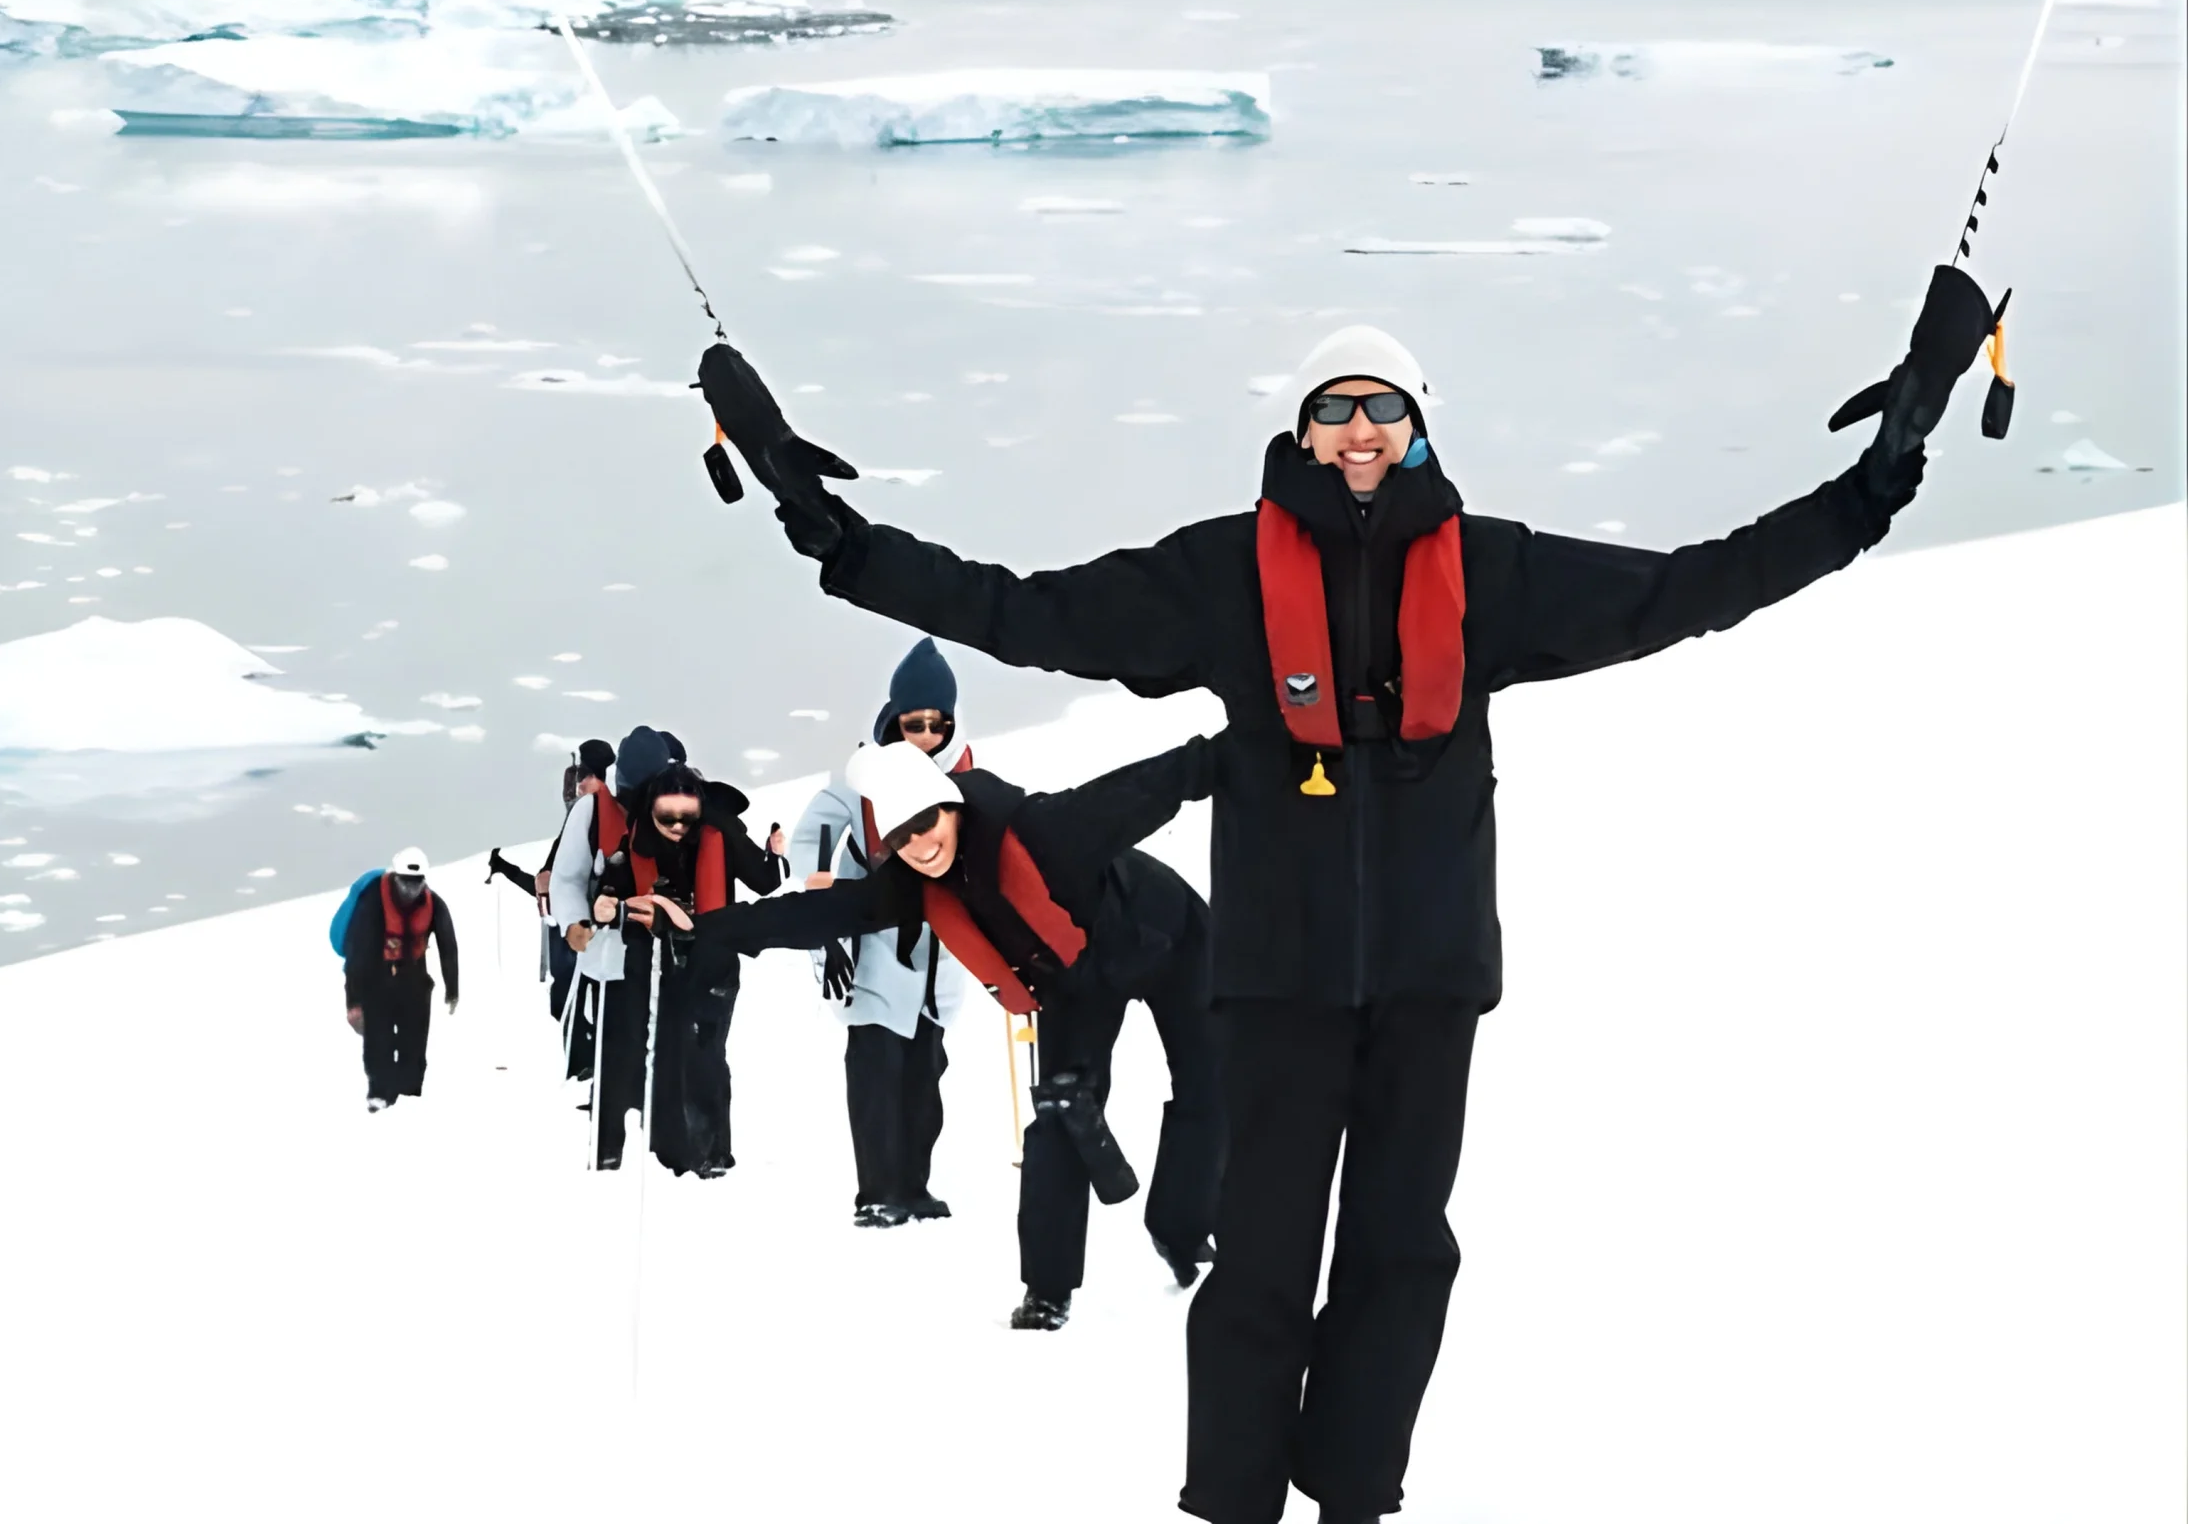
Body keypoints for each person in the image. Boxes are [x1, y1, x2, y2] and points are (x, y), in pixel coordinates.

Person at [697, 262, 2001, 1523]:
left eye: (1385, 405)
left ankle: (1356, 1496)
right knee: (1261, 1254)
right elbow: (1028, 612)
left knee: (1402, 1250)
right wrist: (844, 544)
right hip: (1279, 976)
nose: (1361, 427)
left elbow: (1685, 590)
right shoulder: (1221, 576)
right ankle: (1236, 1502)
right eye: (1336, 406)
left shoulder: (1492, 571)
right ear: (1301, 431)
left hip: (1432, 974)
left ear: (1419, 426)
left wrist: (1864, 495)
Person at [700, 735, 1225, 1331]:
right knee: (1057, 1119)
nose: (920, 845)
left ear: (951, 806)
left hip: (1171, 937)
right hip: (1075, 983)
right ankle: (1047, 1291)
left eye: (927, 823)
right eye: (902, 837)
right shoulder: (913, 883)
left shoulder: (1042, 828)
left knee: (1209, 1086)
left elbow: (1152, 785)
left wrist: (1239, 752)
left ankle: (1183, 1229)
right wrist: (704, 929)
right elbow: (817, 914)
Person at [791, 638, 972, 1229]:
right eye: (914, 723)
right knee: (875, 1071)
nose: (927, 735)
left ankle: (913, 1186)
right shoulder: (861, 775)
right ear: (896, 720)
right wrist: (821, 893)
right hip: (873, 949)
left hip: (939, 953)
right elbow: (811, 837)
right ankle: (876, 1192)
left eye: (938, 724)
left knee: (925, 1075)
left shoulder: (968, 777)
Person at [551, 725, 786, 1173]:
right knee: (619, 1053)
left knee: (694, 1053)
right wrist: (575, 922)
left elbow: (756, 877)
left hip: (692, 959)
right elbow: (569, 878)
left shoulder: (699, 819)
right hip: (618, 957)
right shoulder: (594, 814)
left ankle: (698, 1152)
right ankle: (610, 1152)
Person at [524, 738, 616, 1085]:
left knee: (577, 994)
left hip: (588, 924)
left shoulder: (601, 813)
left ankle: (586, 1065)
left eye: (585, 778)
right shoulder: (587, 814)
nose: (577, 787)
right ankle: (583, 1063)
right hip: (572, 922)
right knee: (568, 995)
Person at [341, 848, 458, 1113]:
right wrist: (353, 1001)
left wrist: (452, 988)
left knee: (414, 1044)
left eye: (417, 882)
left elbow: (448, 947)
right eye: (406, 882)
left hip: (414, 982)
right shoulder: (372, 901)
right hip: (376, 981)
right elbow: (356, 952)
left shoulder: (434, 905)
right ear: (395, 877)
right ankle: (380, 1094)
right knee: (378, 1041)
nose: (411, 889)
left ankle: (409, 1096)